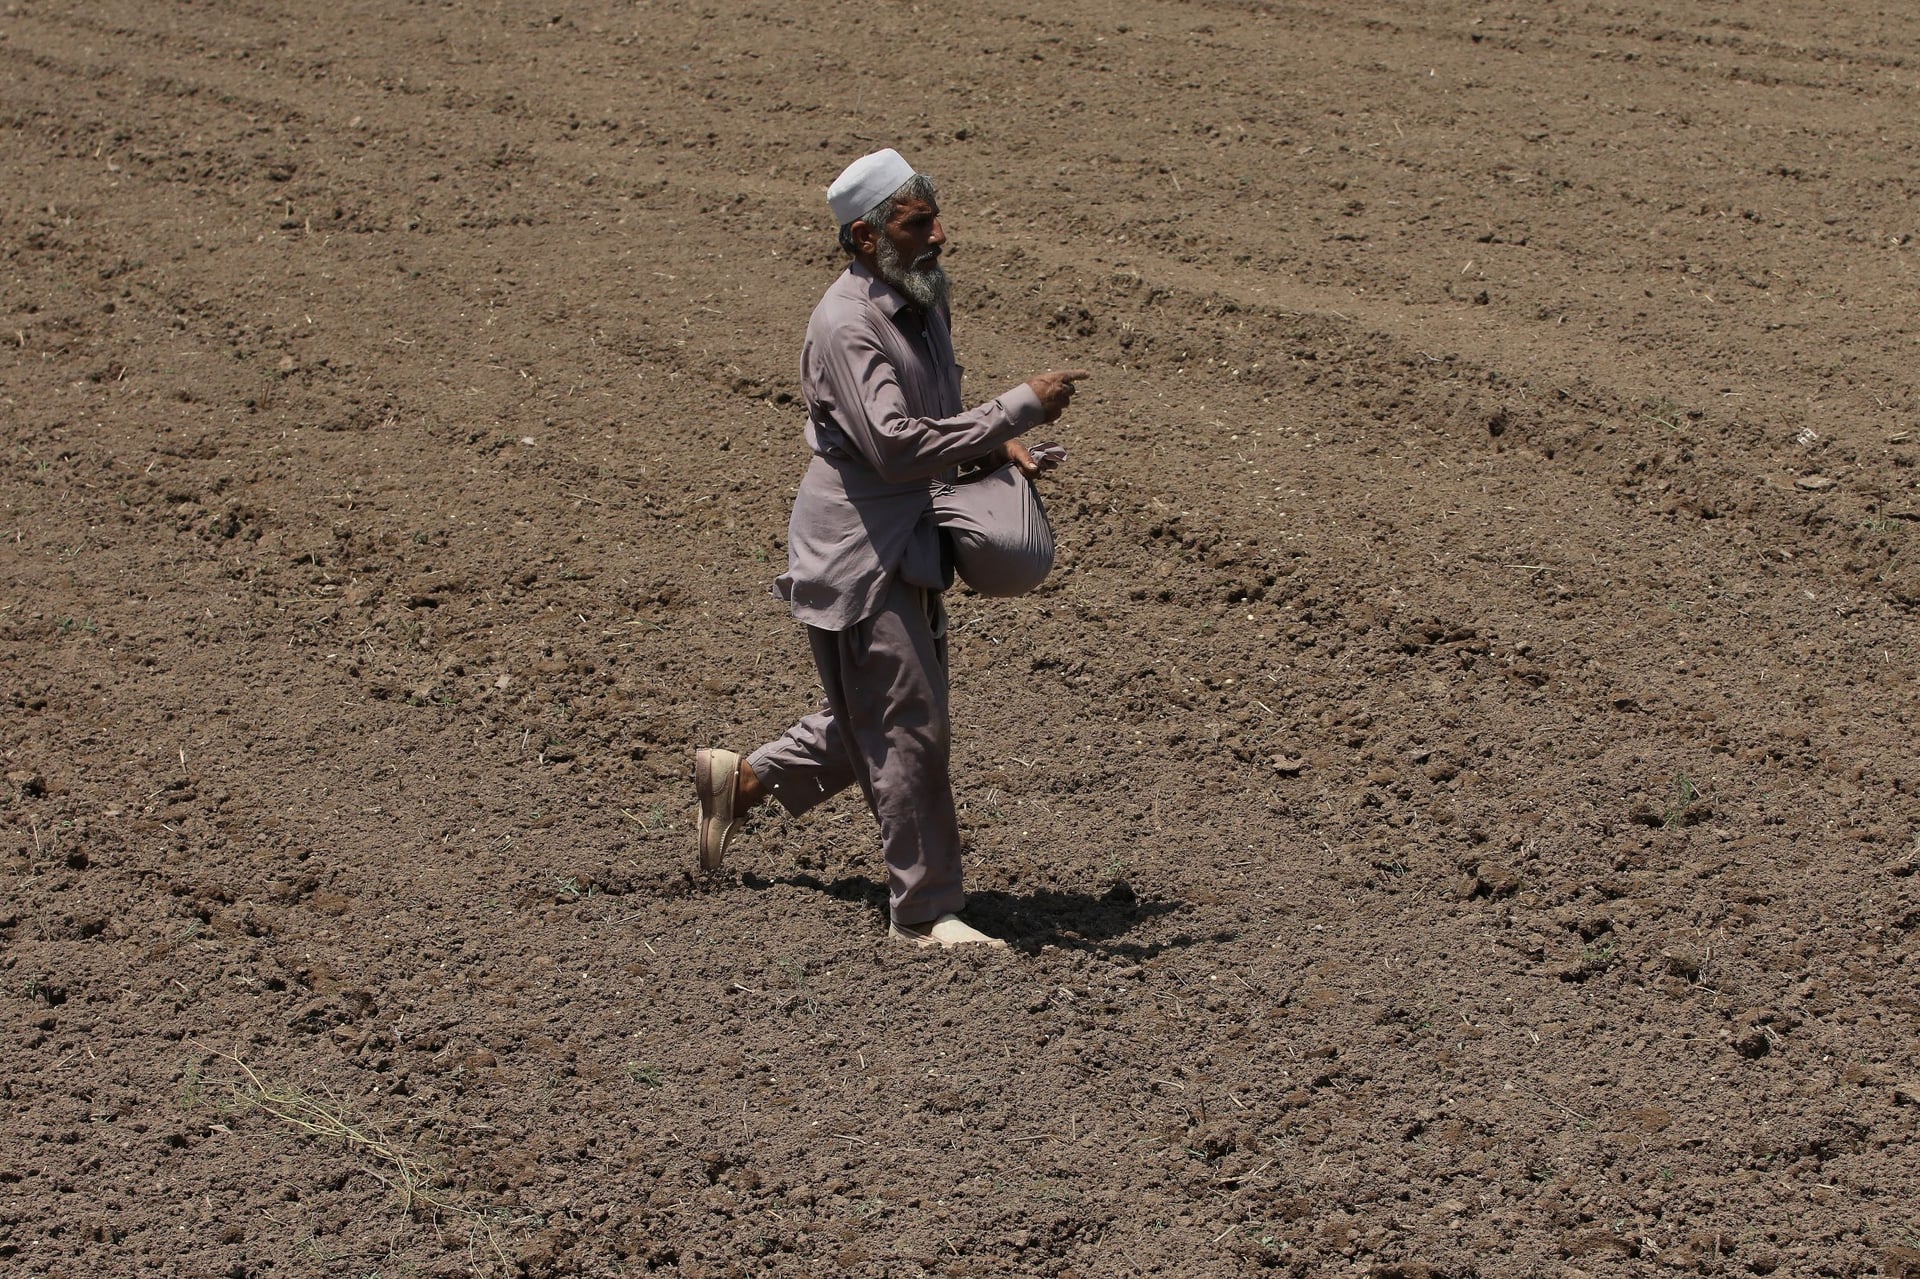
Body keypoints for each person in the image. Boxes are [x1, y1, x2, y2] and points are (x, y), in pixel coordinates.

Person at [693, 147, 1086, 949]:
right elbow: (896, 445)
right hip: (857, 548)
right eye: (918, 224)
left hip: (910, 532)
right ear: (868, 237)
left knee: (889, 707)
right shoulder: (846, 322)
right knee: (908, 721)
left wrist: (995, 451)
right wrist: (1017, 411)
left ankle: (744, 779)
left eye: (936, 216)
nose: (941, 235)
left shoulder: (921, 300)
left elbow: (934, 421)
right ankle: (926, 910)